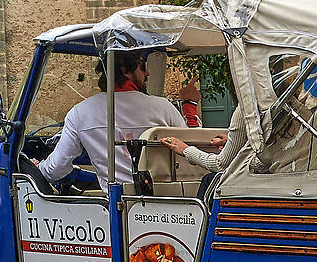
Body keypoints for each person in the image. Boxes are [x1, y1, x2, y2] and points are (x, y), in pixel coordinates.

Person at [39, 61, 221, 189]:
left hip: (117, 203)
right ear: (125, 70)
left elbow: (57, 168)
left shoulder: (79, 113)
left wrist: (37, 168)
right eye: (143, 67)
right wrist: (190, 106)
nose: (147, 73)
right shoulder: (163, 107)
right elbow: (191, 155)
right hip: (166, 199)